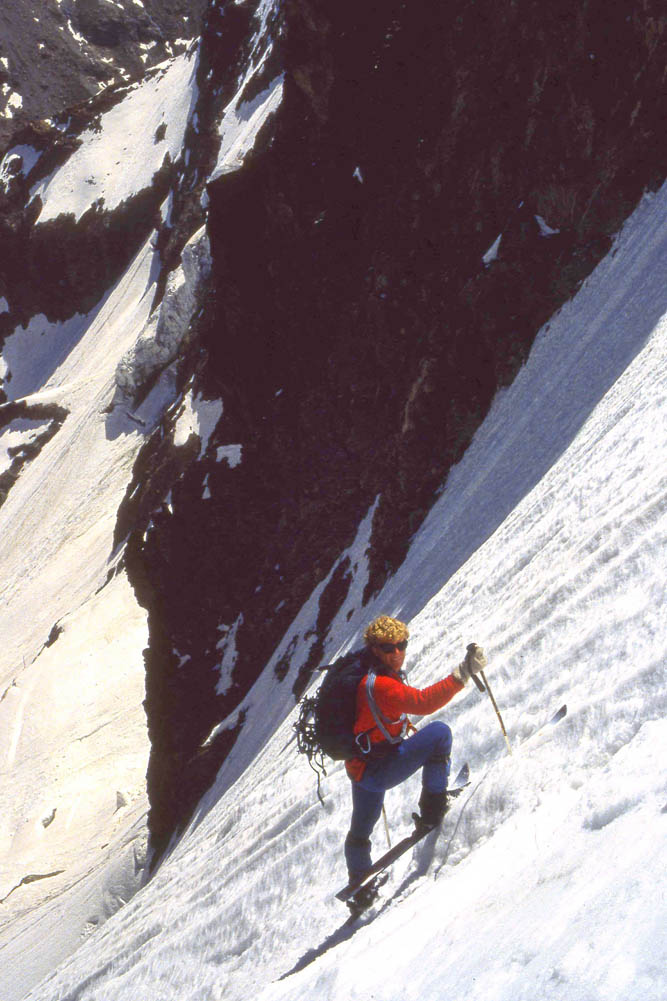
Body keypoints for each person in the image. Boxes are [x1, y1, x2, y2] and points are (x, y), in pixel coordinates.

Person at [344, 614, 487, 891]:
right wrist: (463, 672)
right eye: (388, 648)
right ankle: (433, 807)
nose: (397, 652)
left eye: (402, 645)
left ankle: (358, 884)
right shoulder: (381, 684)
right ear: (375, 649)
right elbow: (423, 702)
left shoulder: (366, 674)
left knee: (360, 831)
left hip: (360, 767)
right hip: (378, 767)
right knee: (440, 733)